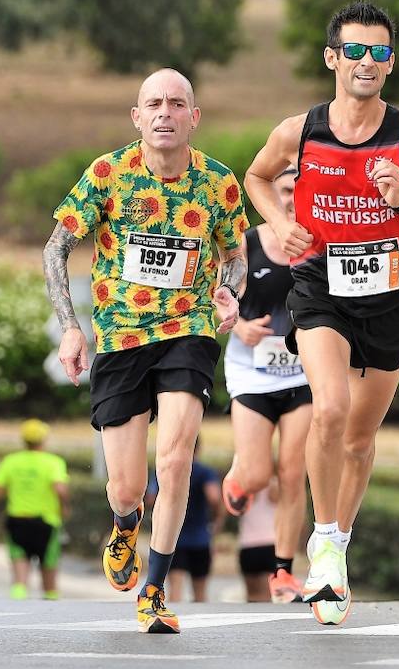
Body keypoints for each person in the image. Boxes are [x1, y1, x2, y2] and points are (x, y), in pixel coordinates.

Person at [243, 0, 399, 624]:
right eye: (355, 51)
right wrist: (280, 225)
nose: (367, 62)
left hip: (391, 291)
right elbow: (257, 178)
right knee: (329, 408)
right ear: (333, 58)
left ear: (390, 65)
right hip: (319, 285)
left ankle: (337, 539)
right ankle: (325, 551)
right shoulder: (299, 131)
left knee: (360, 438)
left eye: (379, 52)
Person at [43, 68, 248, 633]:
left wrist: (231, 292)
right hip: (121, 336)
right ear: (137, 117)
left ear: (193, 117)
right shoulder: (108, 174)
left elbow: (234, 255)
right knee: (127, 483)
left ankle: (154, 589)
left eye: (176, 103)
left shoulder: (218, 184)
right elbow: (55, 248)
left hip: (189, 328)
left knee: (176, 457)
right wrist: (70, 325)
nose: (164, 113)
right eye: (153, 104)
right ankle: (125, 521)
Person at [218, 166, 312, 603]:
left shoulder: (320, 244)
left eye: (302, 190)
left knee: (294, 473)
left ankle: (283, 572)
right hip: (251, 371)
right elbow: (214, 296)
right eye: (287, 191)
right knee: (258, 475)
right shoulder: (247, 242)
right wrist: (238, 327)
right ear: (270, 195)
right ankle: (238, 481)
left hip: (303, 373)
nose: (294, 199)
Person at [0, 419, 70, 600]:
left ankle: (18, 600)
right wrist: (65, 506)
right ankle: (51, 602)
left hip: (17, 520)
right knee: (49, 568)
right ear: (44, 439)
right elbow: (60, 488)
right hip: (46, 522)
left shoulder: (11, 461)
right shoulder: (53, 462)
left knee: (20, 572)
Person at [143, 437, 221, 602]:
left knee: (175, 591)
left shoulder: (165, 471)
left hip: (174, 540)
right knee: (200, 593)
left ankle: (172, 618)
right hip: (200, 538)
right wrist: (215, 520)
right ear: (197, 449)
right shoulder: (205, 472)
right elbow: (214, 498)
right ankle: (201, 624)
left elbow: (150, 498)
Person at [237, 482, 280, 603]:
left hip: (248, 545)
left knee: (252, 596)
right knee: (269, 596)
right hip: (270, 543)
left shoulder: (244, 484)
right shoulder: (276, 483)